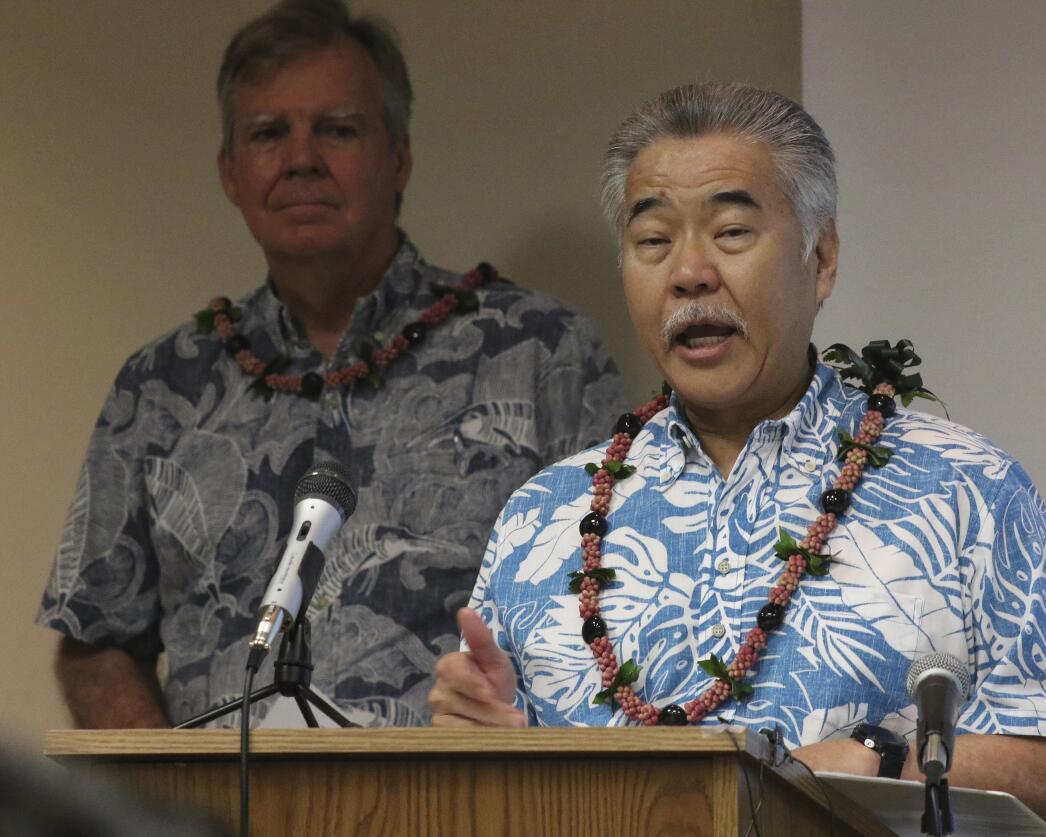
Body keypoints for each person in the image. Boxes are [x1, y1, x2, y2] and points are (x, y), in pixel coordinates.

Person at [428, 83, 1046, 831]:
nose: (689, 272)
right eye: (654, 241)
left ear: (823, 257)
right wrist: (482, 741)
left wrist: (876, 756)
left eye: (731, 232)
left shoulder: (965, 486)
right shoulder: (544, 514)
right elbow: (480, 786)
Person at [35, 0, 621, 729]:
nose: (301, 157)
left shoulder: (540, 352)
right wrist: (167, 804)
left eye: (338, 129)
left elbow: (612, 618)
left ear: (399, 155)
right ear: (230, 170)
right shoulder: (160, 386)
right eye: (268, 133)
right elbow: (97, 642)